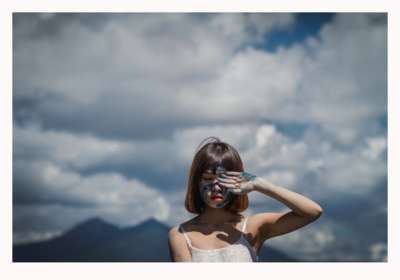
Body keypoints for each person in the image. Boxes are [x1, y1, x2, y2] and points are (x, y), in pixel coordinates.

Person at [168, 137, 323, 262]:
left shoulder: (253, 227)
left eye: (224, 179)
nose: (216, 187)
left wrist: (260, 184)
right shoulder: (180, 235)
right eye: (208, 178)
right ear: (196, 183)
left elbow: (313, 212)